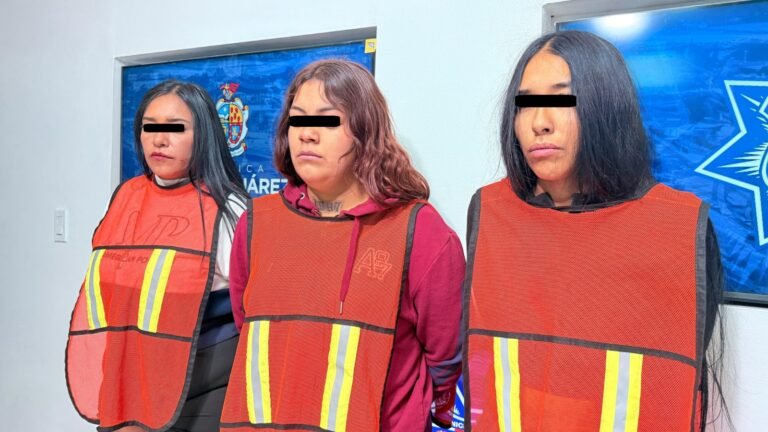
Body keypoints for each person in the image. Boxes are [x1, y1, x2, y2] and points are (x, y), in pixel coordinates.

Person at [462, 31, 728, 431]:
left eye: (562, 99)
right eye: (525, 103)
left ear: (606, 106)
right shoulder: (491, 212)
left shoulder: (677, 228)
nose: (539, 122)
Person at [219, 59, 465, 432]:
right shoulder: (256, 223)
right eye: (297, 119)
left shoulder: (420, 231)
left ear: (365, 131)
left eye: (328, 120)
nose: (307, 134)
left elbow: (446, 361)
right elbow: (248, 329)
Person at [66, 80, 249, 431]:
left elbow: (250, 313)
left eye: (175, 128)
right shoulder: (125, 197)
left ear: (204, 134)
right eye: (149, 127)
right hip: (127, 378)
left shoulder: (229, 210)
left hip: (203, 387)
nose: (159, 140)